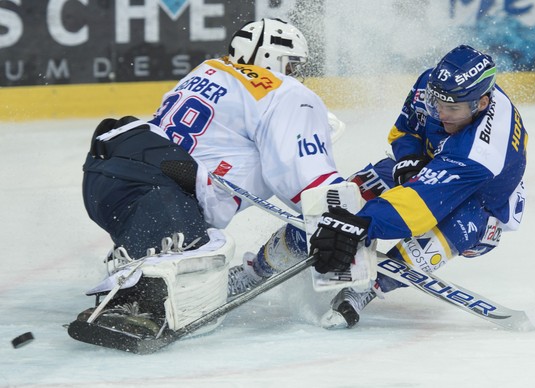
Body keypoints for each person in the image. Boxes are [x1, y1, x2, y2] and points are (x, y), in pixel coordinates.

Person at [77, 18, 344, 342]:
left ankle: (139, 258)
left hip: (104, 176)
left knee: (180, 230)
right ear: (273, 57)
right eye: (291, 64)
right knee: (209, 256)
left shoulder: (210, 69)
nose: (294, 73)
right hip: (158, 188)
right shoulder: (286, 92)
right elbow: (307, 181)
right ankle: (135, 298)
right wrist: (342, 220)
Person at [308, 45, 528, 329]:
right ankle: (264, 263)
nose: (441, 113)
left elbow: (419, 206)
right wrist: (409, 158)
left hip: (482, 204)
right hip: (436, 165)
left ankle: (365, 289)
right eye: (438, 103)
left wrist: (362, 224)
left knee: (439, 234)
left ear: (481, 104)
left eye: (452, 109)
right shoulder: (433, 86)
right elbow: (406, 129)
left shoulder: (482, 151)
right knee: (351, 194)